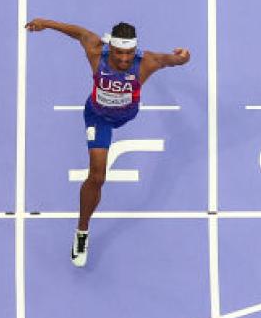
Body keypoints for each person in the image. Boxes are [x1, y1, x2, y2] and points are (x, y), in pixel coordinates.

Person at [25, 18, 191, 267]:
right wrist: (45, 24)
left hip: (126, 114)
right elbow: (79, 33)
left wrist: (184, 56)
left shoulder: (148, 61)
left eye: (128, 54)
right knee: (97, 176)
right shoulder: (95, 52)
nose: (124, 60)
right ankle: (82, 232)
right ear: (109, 48)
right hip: (98, 118)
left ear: (134, 50)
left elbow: (176, 61)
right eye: (118, 53)